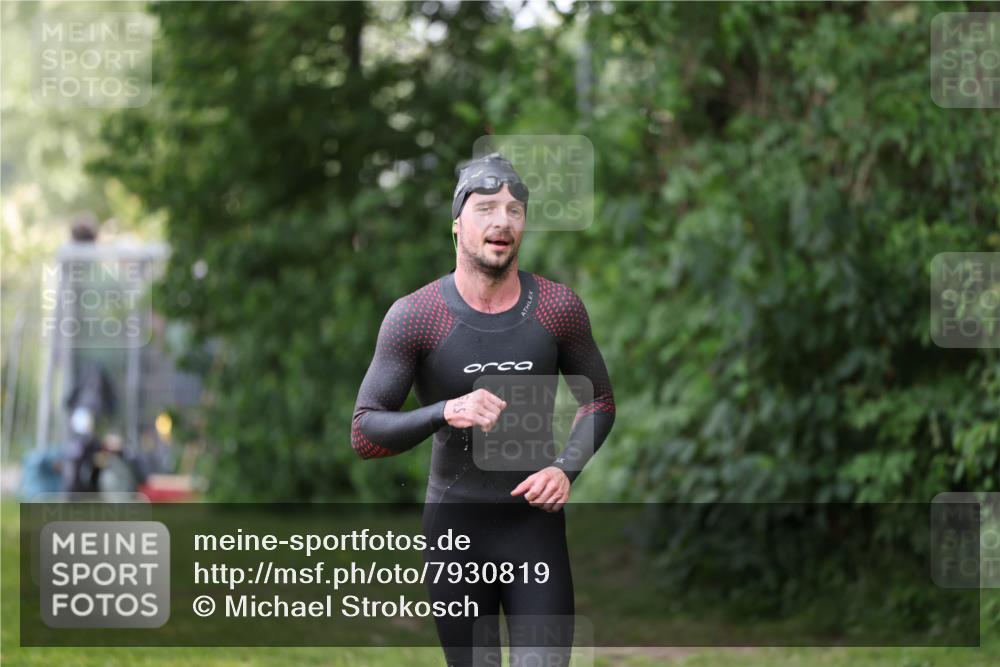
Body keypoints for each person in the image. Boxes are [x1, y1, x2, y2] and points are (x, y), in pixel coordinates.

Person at [351, 152, 616, 666]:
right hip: (456, 530)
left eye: (515, 210)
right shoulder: (416, 316)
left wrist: (566, 469)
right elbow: (364, 432)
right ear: (457, 224)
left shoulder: (557, 308)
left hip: (533, 530)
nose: (502, 220)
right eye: (486, 207)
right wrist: (444, 411)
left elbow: (599, 401)